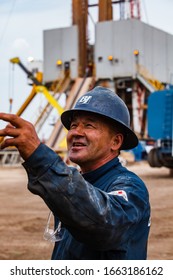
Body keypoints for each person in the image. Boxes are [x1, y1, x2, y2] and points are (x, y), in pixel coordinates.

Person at [0, 86, 150, 260]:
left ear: (115, 141)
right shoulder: (76, 184)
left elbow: (105, 225)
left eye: (88, 125)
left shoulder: (130, 186)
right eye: (73, 125)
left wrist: (40, 157)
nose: (76, 133)